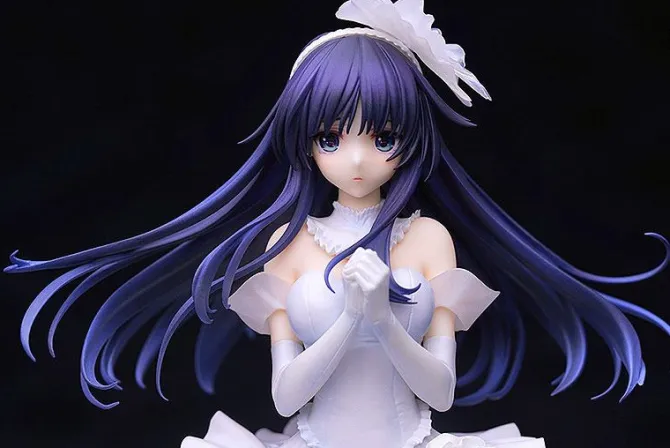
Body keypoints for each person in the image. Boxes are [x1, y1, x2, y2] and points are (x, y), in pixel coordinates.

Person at [6, 1, 668, 447]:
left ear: (410, 138)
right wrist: (353, 317)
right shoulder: (288, 244)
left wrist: (383, 318)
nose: (355, 160)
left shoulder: (428, 239)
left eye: (382, 137)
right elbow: (285, 397)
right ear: (305, 141)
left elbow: (440, 393)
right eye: (330, 137)